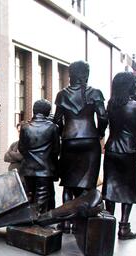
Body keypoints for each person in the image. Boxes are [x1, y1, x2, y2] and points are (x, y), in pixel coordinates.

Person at [53, 61, 107, 232]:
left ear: (71, 75)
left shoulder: (62, 94)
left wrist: (63, 133)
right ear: (86, 74)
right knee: (88, 184)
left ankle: (65, 222)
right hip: (90, 140)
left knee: (68, 183)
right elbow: (103, 117)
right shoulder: (95, 93)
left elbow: (56, 120)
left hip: (70, 140)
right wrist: (99, 132)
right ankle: (82, 221)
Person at [102, 72, 136, 240]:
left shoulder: (111, 104)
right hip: (129, 150)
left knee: (110, 188)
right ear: (129, 85)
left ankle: (107, 224)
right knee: (128, 188)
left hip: (112, 148)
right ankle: (124, 227)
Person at [19, 99, 60, 214]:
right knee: (41, 198)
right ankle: (38, 224)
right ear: (47, 112)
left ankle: (28, 220)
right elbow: (56, 150)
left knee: (29, 195)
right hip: (44, 170)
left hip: (28, 168)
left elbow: (21, 148)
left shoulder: (25, 127)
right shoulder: (53, 127)